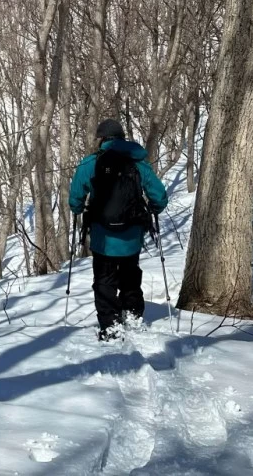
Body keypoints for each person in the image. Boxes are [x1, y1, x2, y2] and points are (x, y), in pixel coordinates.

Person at [68, 119, 168, 341]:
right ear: (122, 138)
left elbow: (75, 196)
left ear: (102, 139)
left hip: (102, 236)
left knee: (104, 281)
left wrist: (77, 208)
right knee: (130, 276)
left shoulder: (90, 163)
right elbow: (159, 196)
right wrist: (154, 208)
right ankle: (132, 315)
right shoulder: (138, 163)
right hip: (131, 235)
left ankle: (110, 325)